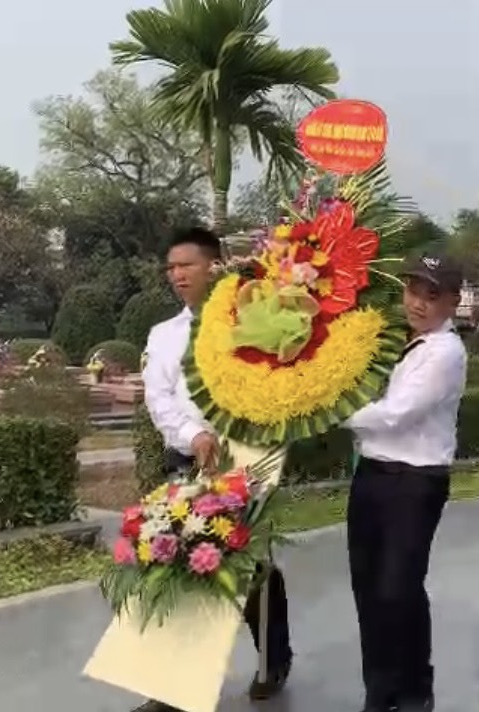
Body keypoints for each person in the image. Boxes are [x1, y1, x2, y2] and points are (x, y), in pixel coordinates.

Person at [138, 227, 292, 712]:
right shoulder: (164, 335)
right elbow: (159, 399)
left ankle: (273, 659)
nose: (177, 275)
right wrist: (193, 435)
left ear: (215, 265)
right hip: (187, 461)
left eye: (186, 265)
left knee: (250, 567)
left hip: (244, 463)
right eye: (171, 267)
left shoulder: (252, 321)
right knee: (181, 566)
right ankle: (176, 687)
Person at [344, 252, 468, 712]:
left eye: (431, 295)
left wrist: (329, 412)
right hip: (373, 474)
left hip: (414, 483)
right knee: (368, 587)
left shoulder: (445, 352)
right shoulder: (400, 339)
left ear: (453, 301)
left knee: (399, 587)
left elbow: (397, 414)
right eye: (413, 290)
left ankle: (415, 688)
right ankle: (380, 688)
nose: (418, 302)